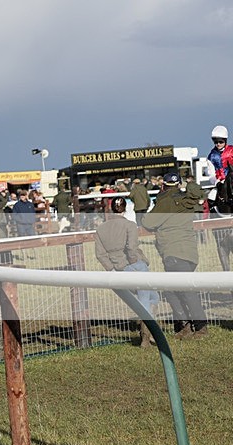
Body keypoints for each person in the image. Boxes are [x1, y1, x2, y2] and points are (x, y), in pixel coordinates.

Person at [142, 172, 207, 339]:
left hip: (173, 251)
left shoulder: (165, 202)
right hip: (189, 251)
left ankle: (198, 327)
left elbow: (148, 222)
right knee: (176, 290)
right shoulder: (186, 199)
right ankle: (187, 326)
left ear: (163, 185)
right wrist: (186, 186)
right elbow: (199, 193)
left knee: (182, 291)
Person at [94, 197, 159, 347]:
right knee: (147, 299)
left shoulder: (101, 229)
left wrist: (112, 268)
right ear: (125, 209)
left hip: (117, 268)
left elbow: (100, 254)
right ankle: (146, 337)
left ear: (111, 209)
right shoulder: (130, 225)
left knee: (151, 297)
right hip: (134, 265)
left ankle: (149, 333)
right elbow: (132, 248)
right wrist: (133, 261)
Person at [208, 124, 233, 214]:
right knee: (211, 196)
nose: (218, 144)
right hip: (221, 182)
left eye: (220, 142)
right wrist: (217, 183)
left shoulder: (232, 150)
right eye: (216, 142)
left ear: (225, 141)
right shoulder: (211, 156)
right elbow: (211, 175)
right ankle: (213, 215)